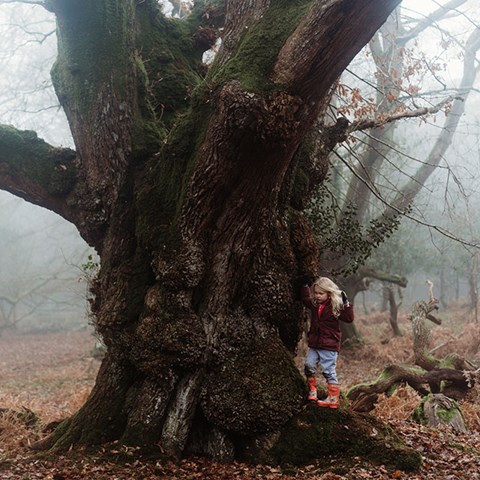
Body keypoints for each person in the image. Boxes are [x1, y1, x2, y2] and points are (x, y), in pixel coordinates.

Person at [301, 276, 354, 408]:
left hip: (329, 345)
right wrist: (304, 287)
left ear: (329, 293)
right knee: (308, 365)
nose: (317, 296)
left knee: (328, 371)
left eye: (321, 293)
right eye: (316, 293)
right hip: (315, 344)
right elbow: (305, 299)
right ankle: (312, 390)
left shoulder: (335, 306)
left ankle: (333, 398)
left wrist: (346, 304)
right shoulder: (314, 304)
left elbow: (349, 318)